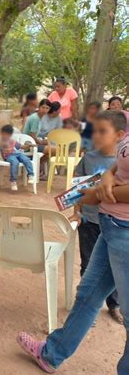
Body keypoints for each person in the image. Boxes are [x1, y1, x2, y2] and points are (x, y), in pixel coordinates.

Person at [17, 110, 129, 375]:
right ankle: (52, 354)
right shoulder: (124, 134)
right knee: (88, 295)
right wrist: (106, 179)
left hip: (125, 232)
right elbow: (118, 165)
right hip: (110, 227)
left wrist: (102, 194)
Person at [71, 111, 123, 323]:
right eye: (95, 131)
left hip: (113, 223)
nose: (97, 136)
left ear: (119, 135)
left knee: (114, 270)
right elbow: (76, 188)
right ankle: (87, 309)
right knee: (88, 265)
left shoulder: (121, 162)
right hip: (89, 221)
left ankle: (114, 305)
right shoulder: (88, 157)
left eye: (103, 131)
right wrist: (76, 212)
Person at [0, 124, 35, 191]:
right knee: (15, 162)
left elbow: (21, 146)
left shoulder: (12, 140)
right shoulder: (0, 141)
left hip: (17, 153)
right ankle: (13, 181)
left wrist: (29, 146)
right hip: (9, 156)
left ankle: (30, 175)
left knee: (26, 159)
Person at [36, 101, 63, 174]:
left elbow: (59, 131)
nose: (61, 111)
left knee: (57, 150)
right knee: (54, 149)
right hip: (39, 139)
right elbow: (37, 132)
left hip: (51, 140)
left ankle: (39, 164)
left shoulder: (59, 118)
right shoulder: (42, 116)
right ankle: (38, 166)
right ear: (54, 111)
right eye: (60, 109)